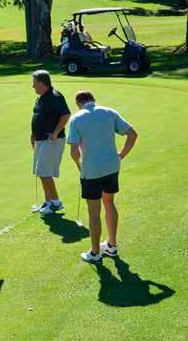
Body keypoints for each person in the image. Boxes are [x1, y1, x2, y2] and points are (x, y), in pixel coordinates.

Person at [67, 90, 138, 264]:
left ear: (79, 103)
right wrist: (121, 155)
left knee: (94, 212)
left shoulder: (76, 119)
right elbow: (132, 135)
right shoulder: (109, 112)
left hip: (91, 171)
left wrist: (80, 167)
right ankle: (111, 245)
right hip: (111, 167)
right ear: (93, 99)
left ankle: (95, 253)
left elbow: (74, 152)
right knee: (109, 202)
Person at [31, 70, 71, 215]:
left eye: (34, 83)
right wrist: (33, 136)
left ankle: (56, 202)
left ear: (42, 83)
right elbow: (38, 116)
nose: (32, 86)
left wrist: (55, 132)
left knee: (44, 171)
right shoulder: (41, 98)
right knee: (41, 171)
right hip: (40, 140)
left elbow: (66, 114)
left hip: (51, 140)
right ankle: (48, 202)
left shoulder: (55, 96)